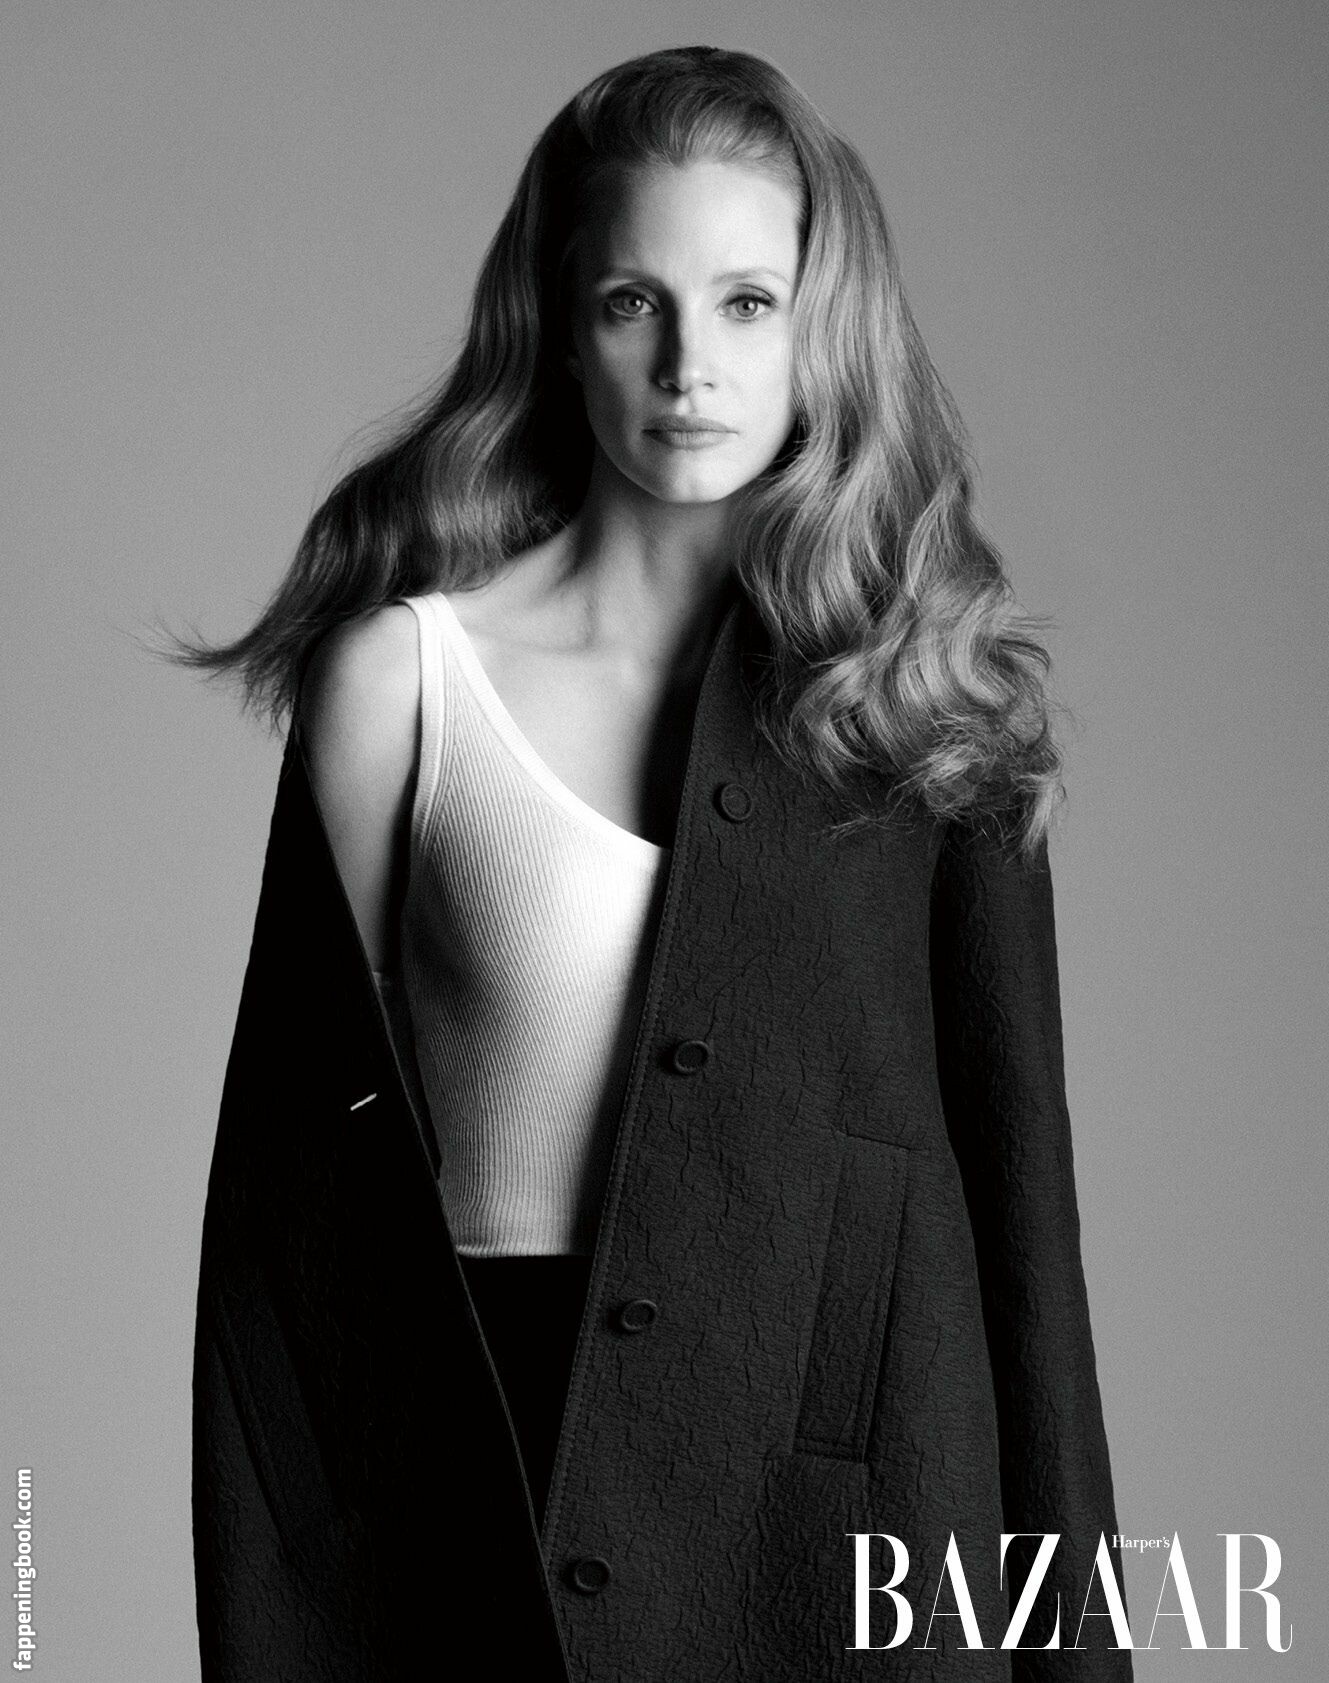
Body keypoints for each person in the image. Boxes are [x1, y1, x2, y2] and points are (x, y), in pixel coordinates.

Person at [180, 45, 1133, 1682]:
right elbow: (290, 1230)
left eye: (748, 304)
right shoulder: (401, 687)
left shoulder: (919, 706)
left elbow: (1023, 1235)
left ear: (821, 328)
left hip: (855, 1559)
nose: (691, 366)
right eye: (635, 303)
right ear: (560, 326)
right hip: (481, 1507)